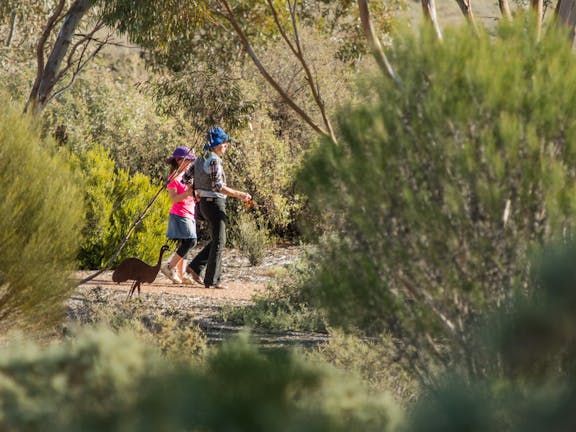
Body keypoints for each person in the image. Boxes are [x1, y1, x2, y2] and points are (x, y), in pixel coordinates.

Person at [185, 126, 252, 289]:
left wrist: (196, 193)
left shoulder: (199, 159)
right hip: (215, 204)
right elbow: (217, 186)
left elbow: (186, 178)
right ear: (215, 145)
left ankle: (195, 267)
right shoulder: (214, 160)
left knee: (217, 239)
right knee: (220, 241)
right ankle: (212, 281)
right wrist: (240, 194)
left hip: (203, 205)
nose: (226, 146)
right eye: (224, 143)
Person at [160, 146, 199, 285]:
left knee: (186, 244)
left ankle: (181, 275)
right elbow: (174, 198)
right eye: (187, 160)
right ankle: (169, 267)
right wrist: (188, 193)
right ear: (177, 160)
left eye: (191, 160)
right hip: (180, 213)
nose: (189, 163)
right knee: (190, 241)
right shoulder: (173, 177)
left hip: (190, 212)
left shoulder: (189, 175)